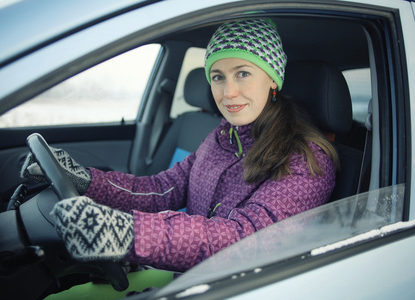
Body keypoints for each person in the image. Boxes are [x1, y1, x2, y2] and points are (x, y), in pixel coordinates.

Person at [22, 19, 339, 299]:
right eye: (217, 76)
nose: (228, 92)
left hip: (235, 288)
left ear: (272, 79)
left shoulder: (307, 160)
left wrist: (128, 232)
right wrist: (88, 181)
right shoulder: (222, 136)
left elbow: (245, 241)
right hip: (192, 274)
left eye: (243, 73)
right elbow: (162, 189)